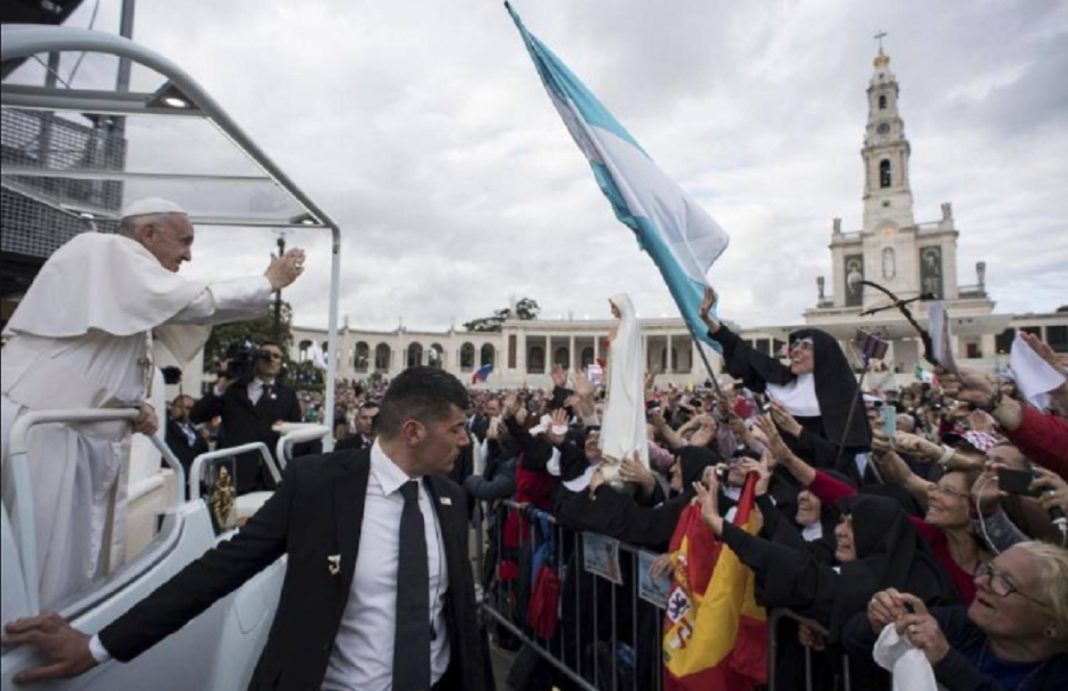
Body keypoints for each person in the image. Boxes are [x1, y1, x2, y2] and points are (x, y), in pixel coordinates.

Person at [2, 366, 494, 691]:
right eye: (455, 429)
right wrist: (95, 645)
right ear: (413, 431)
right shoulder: (318, 487)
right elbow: (217, 572)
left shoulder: (449, 497)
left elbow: (458, 623)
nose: (463, 441)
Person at [0, 197, 305, 614]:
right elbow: (195, 304)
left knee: (70, 564)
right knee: (35, 558)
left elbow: (106, 366)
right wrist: (266, 282)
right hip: (45, 435)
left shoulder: (124, 282)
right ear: (148, 233)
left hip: (80, 437)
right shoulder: (103, 251)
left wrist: (132, 408)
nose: (188, 255)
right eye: (183, 241)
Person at [698, 288, 875, 484]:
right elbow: (742, 351)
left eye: (805, 346)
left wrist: (797, 430)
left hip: (824, 483)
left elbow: (840, 457)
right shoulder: (782, 379)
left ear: (824, 353)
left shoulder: (843, 398)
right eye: (795, 345)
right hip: (783, 479)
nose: (795, 351)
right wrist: (708, 320)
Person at [855, 542, 1068, 689]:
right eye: (988, 570)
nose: (980, 582)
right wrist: (885, 620)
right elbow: (852, 637)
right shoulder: (965, 624)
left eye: (1005, 583)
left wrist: (946, 661)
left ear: (1053, 624)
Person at [190, 341, 304, 494]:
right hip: (231, 474)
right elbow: (197, 415)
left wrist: (286, 428)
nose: (271, 359)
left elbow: (297, 435)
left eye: (276, 356)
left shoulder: (287, 396)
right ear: (255, 359)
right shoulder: (234, 390)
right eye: (265, 355)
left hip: (271, 475)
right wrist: (220, 387)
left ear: (281, 363)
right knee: (226, 517)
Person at [164, 394, 209, 484]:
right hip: (176, 476)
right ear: (173, 408)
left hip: (194, 478)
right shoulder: (167, 427)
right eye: (180, 407)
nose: (184, 411)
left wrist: (205, 439)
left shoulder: (195, 430)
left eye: (189, 408)